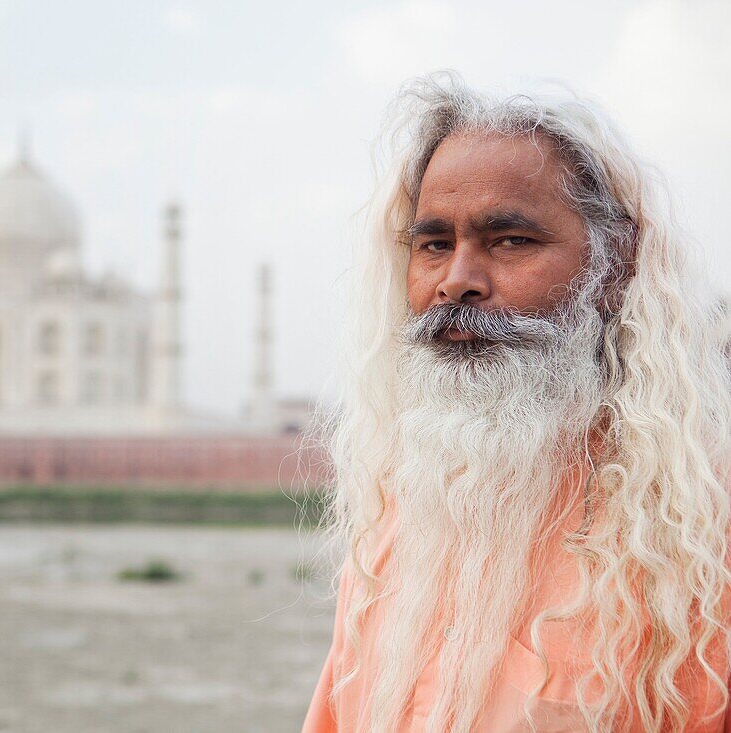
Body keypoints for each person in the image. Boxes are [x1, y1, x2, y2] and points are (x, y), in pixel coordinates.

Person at [302, 73, 731, 732]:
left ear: (613, 265)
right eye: (435, 244)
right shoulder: (399, 508)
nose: (456, 282)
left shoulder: (693, 535)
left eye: (510, 240)